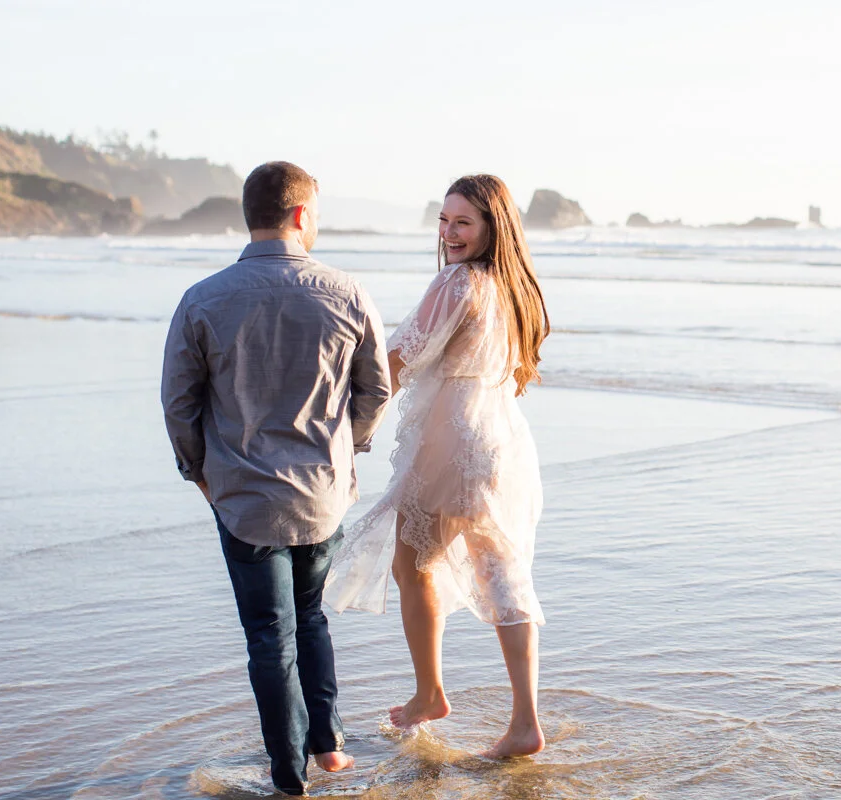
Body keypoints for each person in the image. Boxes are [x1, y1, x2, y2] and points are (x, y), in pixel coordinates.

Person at [161, 161, 390, 795]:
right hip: (321, 492)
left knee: (271, 634)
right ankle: (331, 743)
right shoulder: (346, 291)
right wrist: (351, 449)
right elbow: (376, 388)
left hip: (243, 496)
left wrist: (198, 472)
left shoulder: (202, 298)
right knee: (310, 615)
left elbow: (179, 402)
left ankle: (290, 776)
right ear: (300, 214)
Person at [324, 173, 550, 758]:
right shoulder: (513, 287)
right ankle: (525, 721)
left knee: (413, 564)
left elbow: (399, 357)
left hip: (451, 440)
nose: (450, 233)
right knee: (503, 573)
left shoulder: (458, 281)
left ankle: (430, 693)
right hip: (500, 440)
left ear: (490, 227)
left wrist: (344, 419)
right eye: (444, 221)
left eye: (463, 223)